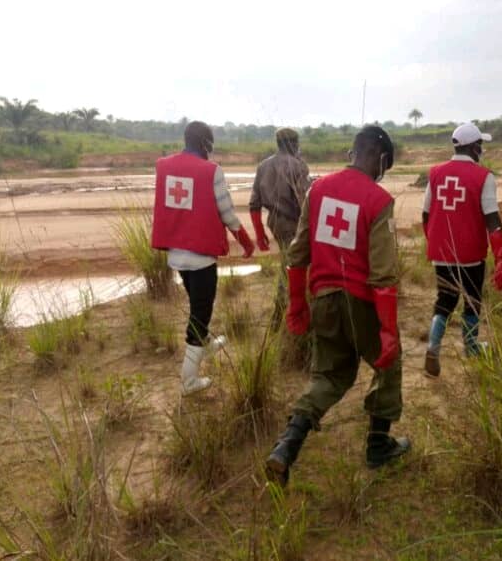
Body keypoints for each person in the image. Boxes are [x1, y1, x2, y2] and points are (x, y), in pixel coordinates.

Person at [265, 126, 410, 486]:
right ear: (378, 158)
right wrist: (389, 331)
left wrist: (297, 305)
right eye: (384, 166)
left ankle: (286, 447)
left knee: (328, 377)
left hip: (324, 300)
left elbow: (297, 256)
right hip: (362, 302)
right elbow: (383, 274)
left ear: (351, 152)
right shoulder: (379, 201)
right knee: (388, 365)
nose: (382, 173)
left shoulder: (317, 191)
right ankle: (378, 446)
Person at [152, 121, 255, 395]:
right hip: (201, 258)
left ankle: (206, 343)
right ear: (205, 143)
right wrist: (246, 243)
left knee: (196, 302)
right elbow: (227, 213)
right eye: (211, 144)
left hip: (176, 256)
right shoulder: (212, 171)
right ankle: (189, 380)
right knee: (200, 313)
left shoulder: (164, 166)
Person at [422, 122, 502, 378]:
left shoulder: (435, 173)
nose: (482, 149)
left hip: (442, 253)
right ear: (472, 147)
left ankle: (433, 347)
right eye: (480, 145)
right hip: (470, 254)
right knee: (472, 300)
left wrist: (434, 242)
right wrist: (501, 260)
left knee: (445, 300)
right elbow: (493, 221)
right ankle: (471, 348)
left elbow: (426, 214)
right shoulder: (484, 176)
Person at [249, 128, 311, 330]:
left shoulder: (263, 165)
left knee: (289, 263)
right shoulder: (298, 165)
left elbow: (254, 204)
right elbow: (304, 201)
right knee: (292, 267)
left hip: (274, 222)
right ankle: (281, 317)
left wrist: (260, 235)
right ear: (294, 144)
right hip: (293, 222)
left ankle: (286, 314)